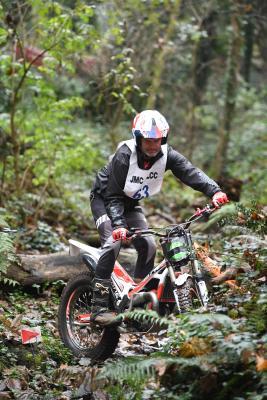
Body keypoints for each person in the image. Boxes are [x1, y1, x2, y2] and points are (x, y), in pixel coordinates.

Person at [90, 110, 228, 324]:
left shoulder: (166, 154)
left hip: (130, 203)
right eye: (148, 141)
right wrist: (118, 226)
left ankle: (137, 302)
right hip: (105, 200)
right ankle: (98, 306)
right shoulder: (125, 155)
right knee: (113, 243)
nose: (153, 146)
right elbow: (113, 196)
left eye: (157, 140)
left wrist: (215, 191)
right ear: (138, 138)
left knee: (148, 245)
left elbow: (190, 171)